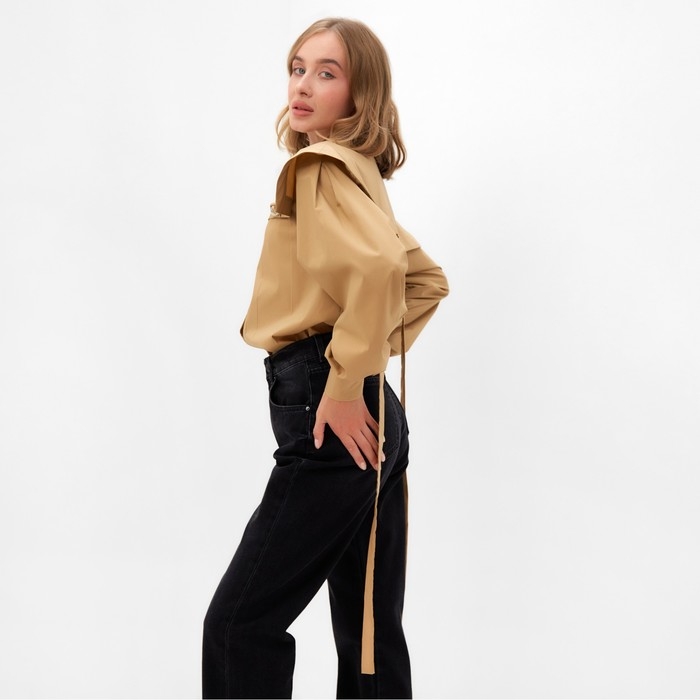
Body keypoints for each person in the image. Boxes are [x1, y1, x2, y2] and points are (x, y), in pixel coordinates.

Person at [202, 17, 449, 699]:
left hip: (330, 407)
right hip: (375, 417)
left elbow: (382, 271)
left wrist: (343, 380)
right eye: (297, 68)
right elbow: (424, 280)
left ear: (359, 95)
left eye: (327, 73)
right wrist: (361, 362)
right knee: (369, 633)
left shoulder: (315, 167)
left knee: (239, 625)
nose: (303, 86)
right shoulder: (358, 174)